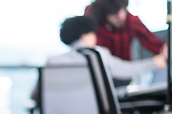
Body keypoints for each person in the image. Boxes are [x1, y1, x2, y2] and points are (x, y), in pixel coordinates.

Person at [31, 15, 167, 102]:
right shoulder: (97, 55)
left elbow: (35, 96)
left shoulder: (52, 62)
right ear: (86, 37)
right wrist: (155, 62)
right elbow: (125, 69)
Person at [84, 0, 166, 61]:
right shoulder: (92, 18)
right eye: (115, 15)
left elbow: (153, 43)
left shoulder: (132, 20)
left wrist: (165, 50)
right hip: (101, 69)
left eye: (123, 10)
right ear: (104, 15)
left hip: (124, 72)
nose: (122, 17)